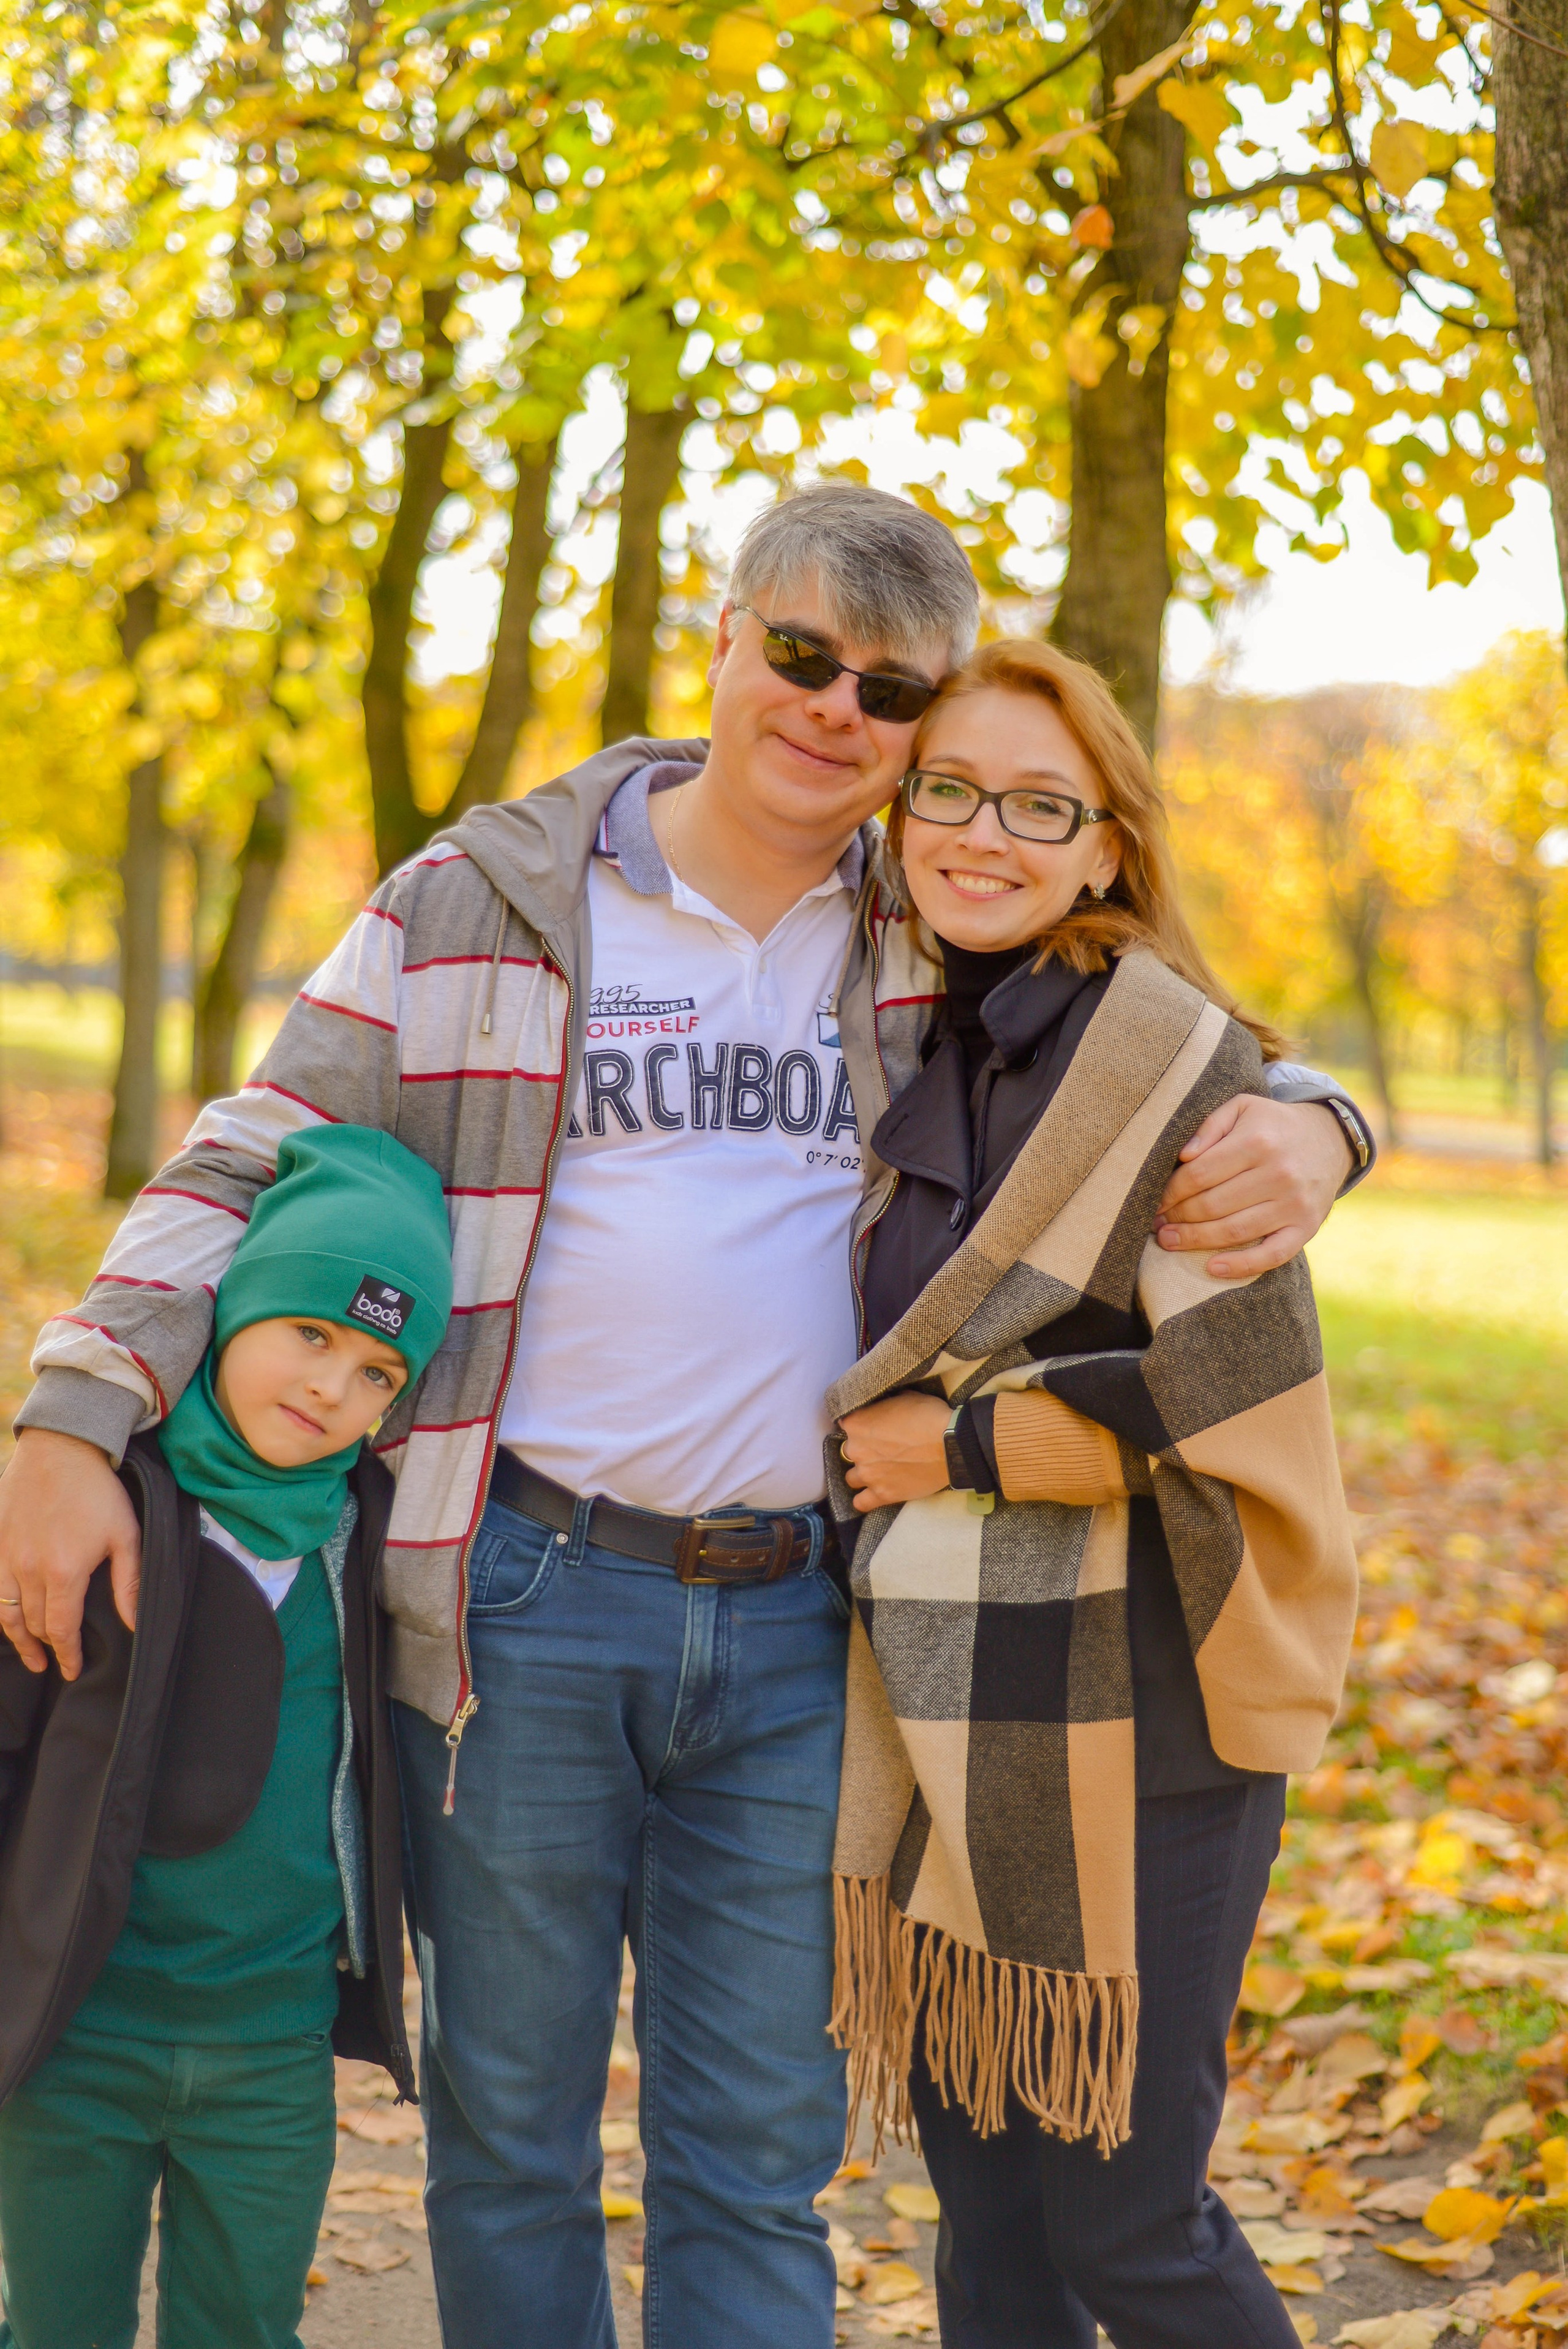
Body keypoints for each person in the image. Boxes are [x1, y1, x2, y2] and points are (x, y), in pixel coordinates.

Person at [0, 486, 1368, 2349]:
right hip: (524, 1604)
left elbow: (1164, 1021)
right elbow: (254, 1144)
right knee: (511, 2144)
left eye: (891, 694)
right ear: (726, 643)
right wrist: (75, 1408)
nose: (835, 710)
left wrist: (1320, 1115)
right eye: (800, 654)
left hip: (811, 1621)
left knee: (754, 2147)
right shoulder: (482, 897)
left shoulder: (930, 926)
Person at [831, 637, 1359, 2348]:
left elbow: (1240, 1390)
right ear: (902, 814)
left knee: (1129, 2223)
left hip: (1152, 1712)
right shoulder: (918, 1030)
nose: (986, 833)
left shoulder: (1176, 1066)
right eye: (952, 791)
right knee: (990, 2229)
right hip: (953, 1698)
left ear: (1105, 842)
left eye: (1038, 804)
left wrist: (970, 1443)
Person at [0, 1125, 451, 2349]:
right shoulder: (103, 1514)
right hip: (78, 2037)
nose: (330, 1388)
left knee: (244, 2328)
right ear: (238, 1306)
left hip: (270, 2050)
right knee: (55, 2325)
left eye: (376, 1373)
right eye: (310, 1334)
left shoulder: (375, 1545)